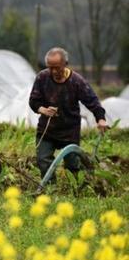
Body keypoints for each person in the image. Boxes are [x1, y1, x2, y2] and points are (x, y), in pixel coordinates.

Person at [29, 47, 108, 183]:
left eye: (57, 68)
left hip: (69, 131)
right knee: (43, 161)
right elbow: (33, 101)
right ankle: (50, 188)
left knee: (73, 166)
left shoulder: (77, 81)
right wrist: (43, 110)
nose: (53, 71)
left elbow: (92, 101)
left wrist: (100, 119)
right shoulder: (42, 77)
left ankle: (76, 190)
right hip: (47, 130)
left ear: (65, 64)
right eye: (50, 67)